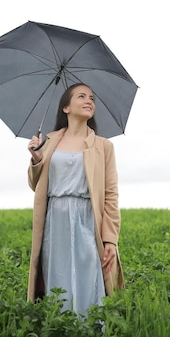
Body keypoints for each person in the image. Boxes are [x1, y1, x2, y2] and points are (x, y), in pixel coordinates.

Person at [27, 83, 124, 316]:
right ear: (66, 107)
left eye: (92, 97)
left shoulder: (103, 146)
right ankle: (60, 330)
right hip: (55, 219)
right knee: (57, 274)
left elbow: (111, 193)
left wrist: (110, 239)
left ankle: (91, 332)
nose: (89, 100)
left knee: (89, 273)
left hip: (87, 218)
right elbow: (34, 185)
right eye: (81, 96)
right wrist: (36, 158)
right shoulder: (48, 142)